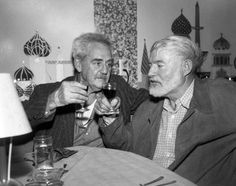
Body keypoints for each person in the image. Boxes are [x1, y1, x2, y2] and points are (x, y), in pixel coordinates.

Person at [98, 35, 236, 185]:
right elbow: (126, 145)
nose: (150, 72)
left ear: (186, 67)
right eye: (151, 65)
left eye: (159, 65)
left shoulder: (220, 94)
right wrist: (110, 117)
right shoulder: (148, 107)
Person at [23, 33, 149, 148]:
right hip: (65, 167)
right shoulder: (48, 91)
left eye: (109, 64)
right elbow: (19, 118)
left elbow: (148, 99)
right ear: (78, 64)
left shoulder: (118, 87)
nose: (105, 71)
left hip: (107, 165)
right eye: (97, 63)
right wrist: (53, 101)